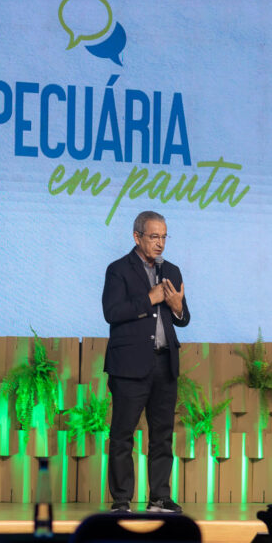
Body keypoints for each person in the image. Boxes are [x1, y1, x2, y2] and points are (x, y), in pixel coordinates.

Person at [101, 210, 190, 513]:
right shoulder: (118, 270)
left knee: (162, 436)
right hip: (129, 366)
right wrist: (149, 299)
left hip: (165, 364)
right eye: (154, 236)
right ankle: (121, 500)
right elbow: (112, 312)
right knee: (123, 434)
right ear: (137, 237)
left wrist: (177, 307)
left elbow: (184, 318)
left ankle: (159, 498)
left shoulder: (172, 270)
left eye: (164, 237)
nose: (160, 243)